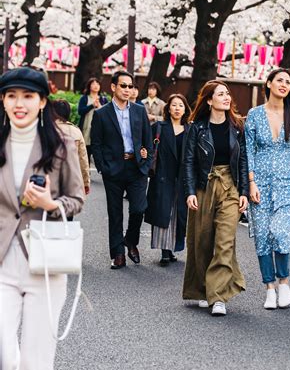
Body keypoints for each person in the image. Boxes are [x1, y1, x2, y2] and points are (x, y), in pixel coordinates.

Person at [0, 67, 84, 370]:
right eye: (11, 96)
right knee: (4, 356)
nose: (19, 104)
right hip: (2, 262)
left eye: (27, 96)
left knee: (37, 360)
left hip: (44, 263)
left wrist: (51, 204)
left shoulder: (61, 143)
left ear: (42, 102)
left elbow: (77, 198)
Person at [182, 81, 249, 316]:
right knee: (201, 241)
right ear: (209, 100)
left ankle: (218, 295)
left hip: (229, 186)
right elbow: (188, 161)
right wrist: (190, 191)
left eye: (227, 94)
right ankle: (201, 289)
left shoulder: (238, 127)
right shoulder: (196, 128)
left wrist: (244, 192)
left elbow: (243, 161)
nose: (227, 97)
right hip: (204, 185)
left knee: (225, 241)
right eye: (221, 94)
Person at [245, 68, 290, 310]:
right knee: (262, 236)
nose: (284, 85)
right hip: (259, 182)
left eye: (288, 82)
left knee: (280, 232)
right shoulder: (254, 115)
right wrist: (250, 182)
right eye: (279, 80)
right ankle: (269, 287)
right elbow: (249, 151)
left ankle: (284, 282)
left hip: (287, 182)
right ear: (268, 83)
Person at [91, 70, 153, 269]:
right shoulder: (101, 114)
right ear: (113, 87)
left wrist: (146, 160)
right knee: (115, 212)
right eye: (123, 86)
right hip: (113, 169)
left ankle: (131, 240)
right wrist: (103, 168)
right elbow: (97, 144)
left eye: (130, 86)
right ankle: (118, 253)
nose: (127, 89)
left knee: (139, 208)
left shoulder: (138, 110)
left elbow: (147, 139)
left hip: (136, 167)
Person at [145, 94, 191, 266]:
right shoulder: (159, 127)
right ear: (168, 108)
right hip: (163, 176)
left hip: (182, 179)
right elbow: (148, 147)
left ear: (185, 109)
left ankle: (171, 248)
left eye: (181, 105)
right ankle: (165, 251)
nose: (177, 108)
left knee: (178, 215)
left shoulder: (190, 130)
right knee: (165, 213)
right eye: (174, 105)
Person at [53, 99, 90, 196]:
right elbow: (83, 161)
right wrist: (85, 183)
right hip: (71, 179)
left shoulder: (46, 131)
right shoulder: (76, 131)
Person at [77, 77, 107, 162]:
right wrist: (92, 106)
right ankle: (86, 173)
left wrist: (99, 107)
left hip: (99, 130)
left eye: (97, 84)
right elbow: (80, 111)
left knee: (99, 155)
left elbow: (107, 114)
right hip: (86, 129)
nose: (96, 86)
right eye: (93, 84)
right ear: (89, 86)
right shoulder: (84, 98)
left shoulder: (103, 99)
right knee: (85, 155)